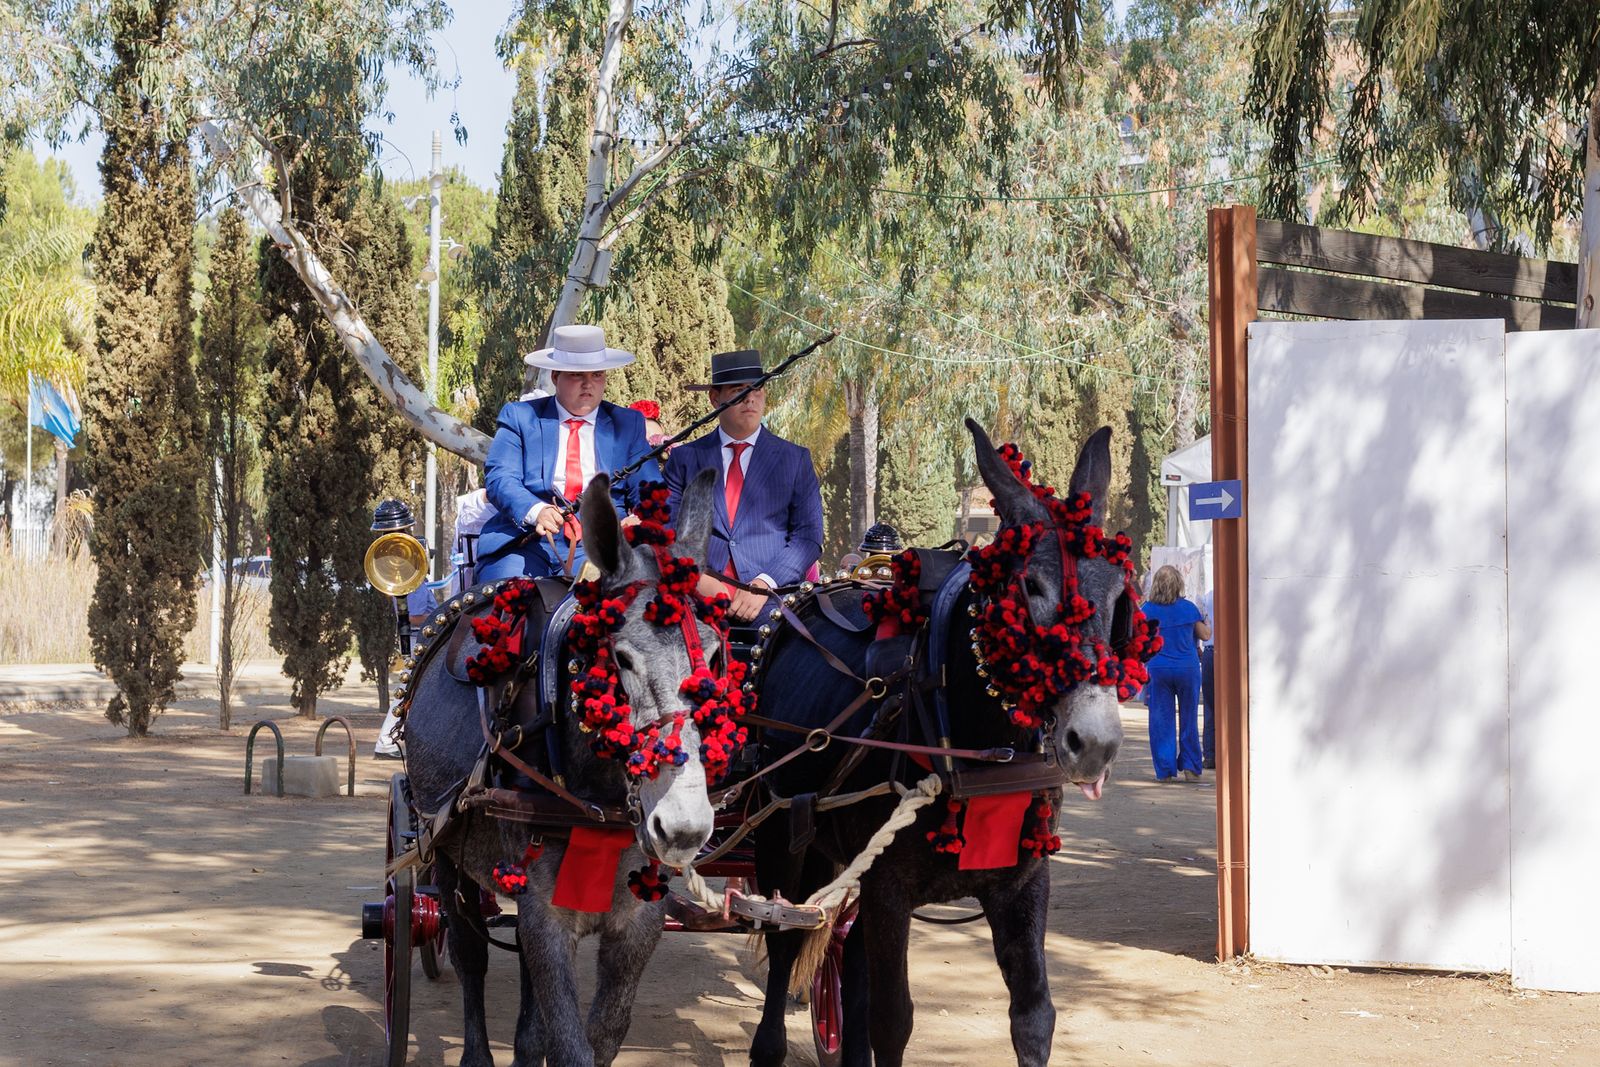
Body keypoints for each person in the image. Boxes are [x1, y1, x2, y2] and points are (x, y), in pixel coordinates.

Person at [476, 325, 661, 581]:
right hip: (526, 543)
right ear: (555, 376)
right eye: (576, 375)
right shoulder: (520, 417)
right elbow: (500, 478)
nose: (588, 384)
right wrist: (535, 510)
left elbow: (651, 491)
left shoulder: (627, 424)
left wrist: (637, 522)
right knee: (507, 603)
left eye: (597, 375)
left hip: (605, 545)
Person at [664, 349, 823, 622]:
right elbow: (665, 530)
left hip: (772, 598)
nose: (750, 398)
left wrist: (764, 584)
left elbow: (808, 537)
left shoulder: (794, 459)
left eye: (757, 389)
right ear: (716, 398)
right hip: (697, 596)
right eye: (738, 390)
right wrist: (697, 579)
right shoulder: (684, 459)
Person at [1140, 564, 1212, 782]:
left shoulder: (1147, 610)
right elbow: (1206, 635)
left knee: (1161, 720)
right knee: (1189, 718)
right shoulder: (1189, 608)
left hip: (1158, 669)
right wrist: (1206, 620)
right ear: (1178, 584)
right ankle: (1191, 768)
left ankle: (1165, 770)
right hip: (1187, 669)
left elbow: (1141, 641)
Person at [1199, 586, 1216, 770]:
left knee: (1210, 707)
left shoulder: (1208, 597)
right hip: (1228, 650)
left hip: (1210, 651)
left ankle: (1210, 755)